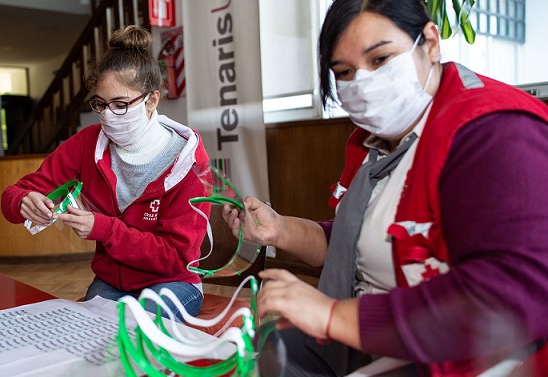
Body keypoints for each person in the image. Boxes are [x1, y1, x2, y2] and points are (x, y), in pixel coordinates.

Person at [224, 0, 548, 375]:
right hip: (373, 337)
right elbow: (355, 246)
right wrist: (280, 230)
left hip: (459, 355)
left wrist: (332, 315)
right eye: (344, 71)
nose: (362, 82)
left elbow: (508, 298)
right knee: (263, 348)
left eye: (379, 60)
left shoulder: (494, 133)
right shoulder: (374, 141)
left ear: (430, 42)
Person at [1, 25, 210, 321]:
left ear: (152, 100)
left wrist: (104, 229)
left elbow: (176, 257)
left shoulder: (188, 162)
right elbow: (13, 195)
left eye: (121, 105)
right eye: (100, 104)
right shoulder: (88, 145)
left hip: (173, 281)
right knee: (87, 334)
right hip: (114, 281)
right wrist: (24, 200)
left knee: (138, 337)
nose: (108, 115)